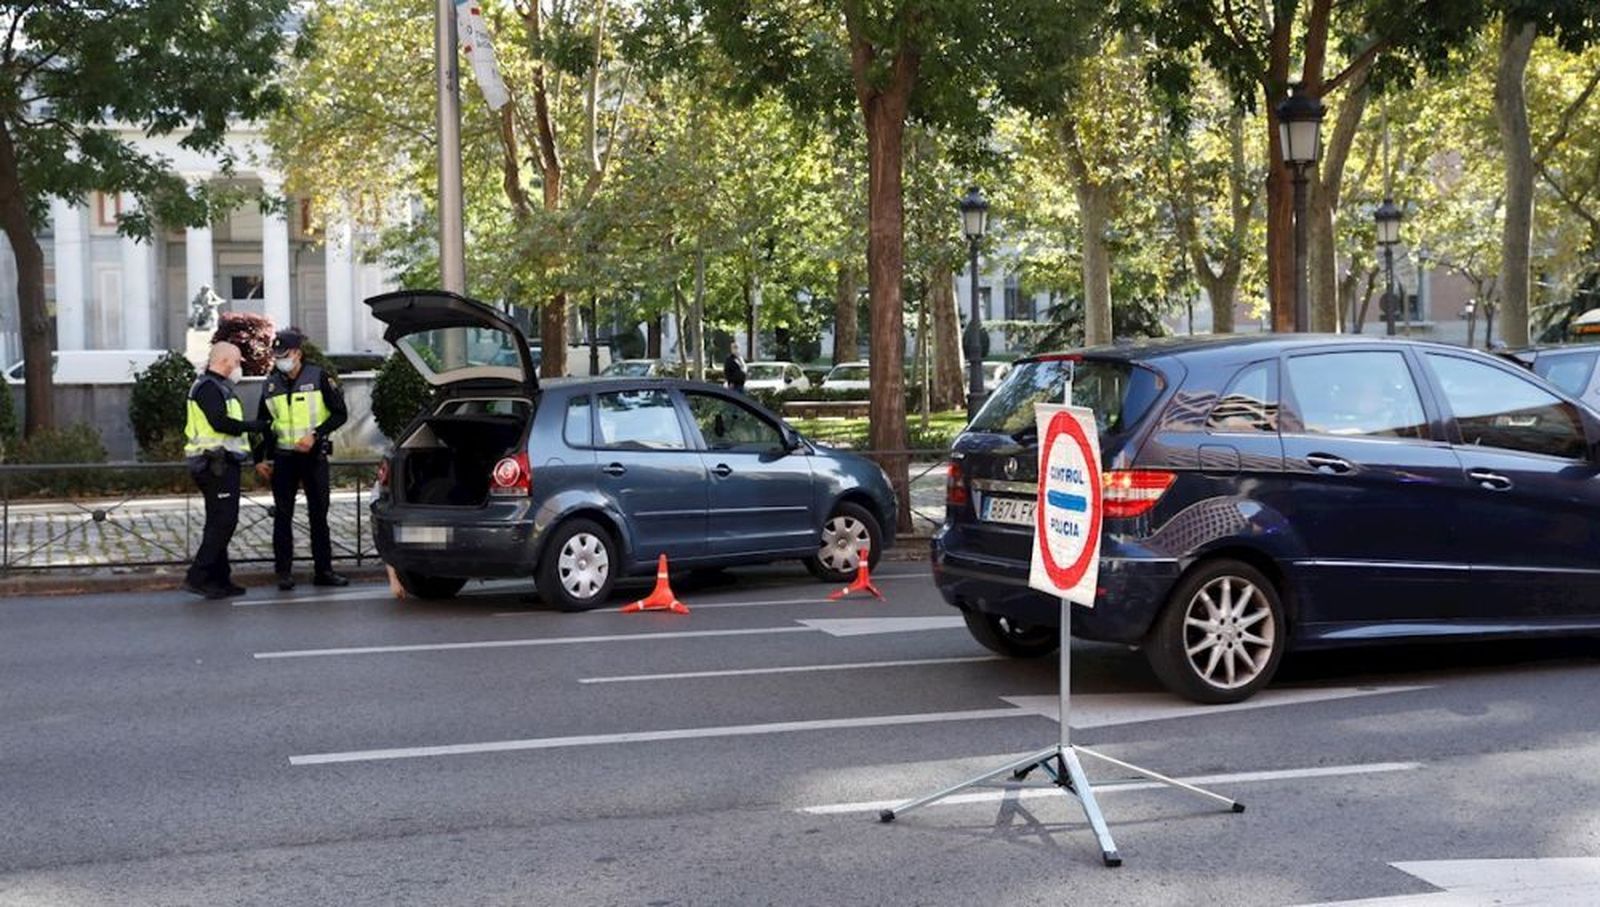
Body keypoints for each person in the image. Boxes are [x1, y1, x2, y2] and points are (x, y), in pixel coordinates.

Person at [254, 328, 350, 590]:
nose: (279, 360)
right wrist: (259, 458)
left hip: (313, 457)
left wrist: (316, 435)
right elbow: (264, 425)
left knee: (318, 515)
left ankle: (324, 571)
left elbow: (340, 414)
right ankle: (284, 573)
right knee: (282, 516)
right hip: (283, 459)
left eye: (283, 355)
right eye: (276, 356)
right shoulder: (270, 384)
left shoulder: (318, 377)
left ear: (297, 353)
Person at [182, 342, 270, 599]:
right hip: (213, 464)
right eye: (237, 361)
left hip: (222, 462)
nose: (239, 366)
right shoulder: (209, 388)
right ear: (224, 361)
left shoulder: (218, 386)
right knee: (224, 522)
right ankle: (197, 576)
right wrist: (254, 426)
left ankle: (220, 579)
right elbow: (219, 422)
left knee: (218, 522)